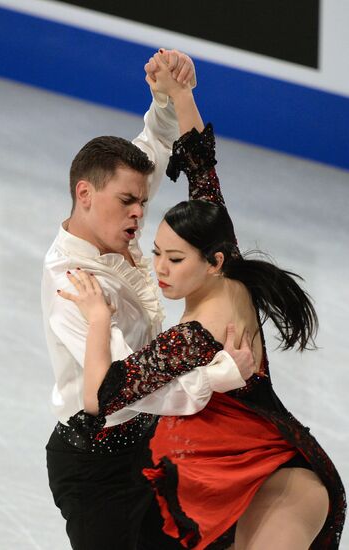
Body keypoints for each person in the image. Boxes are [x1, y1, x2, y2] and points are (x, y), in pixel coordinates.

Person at [59, 55, 346, 549]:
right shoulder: (226, 265)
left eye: (174, 259)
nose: (160, 269)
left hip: (275, 487)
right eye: (156, 253)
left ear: (211, 261)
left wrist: (100, 316)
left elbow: (103, 395)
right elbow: (201, 169)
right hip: (236, 481)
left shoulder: (194, 337)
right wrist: (180, 94)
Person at [43, 49, 256, 550]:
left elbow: (155, 147)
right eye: (128, 202)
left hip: (148, 441)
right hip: (94, 459)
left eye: (142, 202)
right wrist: (218, 376)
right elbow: (122, 385)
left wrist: (165, 93)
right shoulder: (74, 285)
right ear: (85, 194)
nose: (141, 213)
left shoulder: (114, 228)